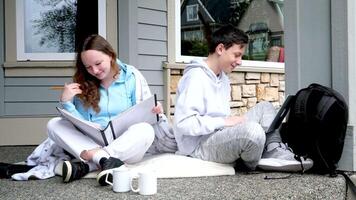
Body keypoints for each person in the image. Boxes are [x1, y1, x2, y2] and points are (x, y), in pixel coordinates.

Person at [6, 34, 177, 184]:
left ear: (110, 55)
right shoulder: (84, 83)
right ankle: (103, 160)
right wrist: (67, 102)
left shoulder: (131, 77)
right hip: (91, 142)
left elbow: (141, 111)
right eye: (88, 67)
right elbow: (79, 124)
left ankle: (91, 162)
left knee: (145, 130)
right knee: (54, 124)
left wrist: (154, 111)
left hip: (125, 144)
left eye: (98, 63)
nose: (94, 71)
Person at [173, 24, 313, 172]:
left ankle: (273, 149)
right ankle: (259, 158)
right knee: (253, 132)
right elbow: (183, 123)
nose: (240, 61)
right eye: (237, 55)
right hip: (199, 146)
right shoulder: (195, 77)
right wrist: (224, 122)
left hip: (219, 134)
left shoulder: (222, 78)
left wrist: (229, 124)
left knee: (265, 107)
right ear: (220, 49)